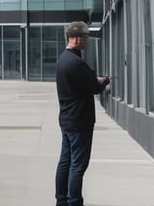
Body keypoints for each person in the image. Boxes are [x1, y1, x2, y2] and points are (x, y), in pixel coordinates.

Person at [55, 21, 109, 206]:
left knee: (65, 162)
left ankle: (61, 200)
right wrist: (103, 81)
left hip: (67, 118)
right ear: (77, 39)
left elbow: (79, 83)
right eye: (86, 38)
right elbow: (95, 87)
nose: (87, 41)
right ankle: (75, 202)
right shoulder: (76, 63)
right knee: (78, 165)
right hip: (79, 120)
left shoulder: (63, 59)